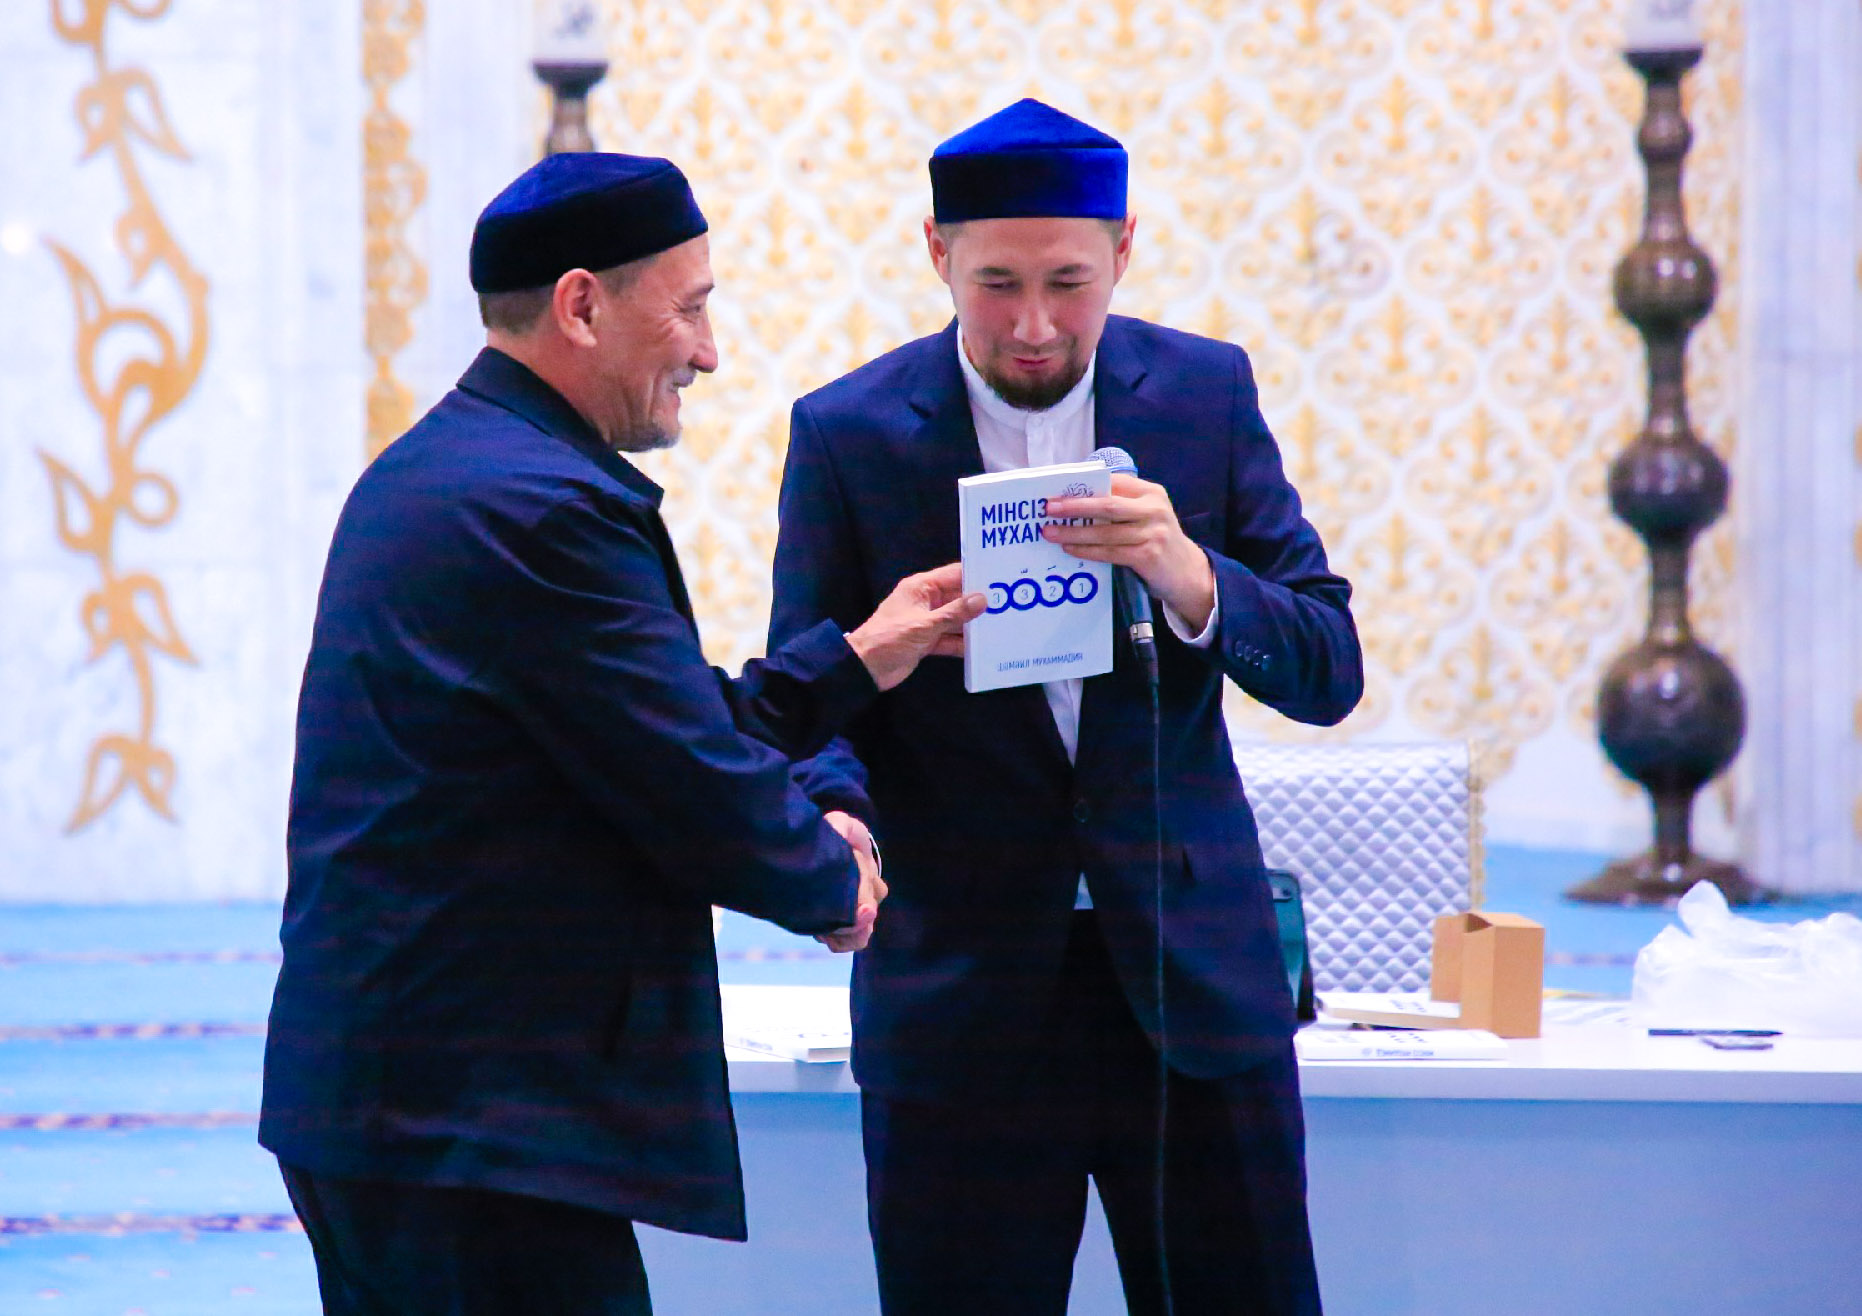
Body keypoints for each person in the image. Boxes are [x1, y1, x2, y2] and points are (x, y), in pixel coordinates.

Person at [259, 151, 982, 1316]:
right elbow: (683, 776)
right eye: (688, 309)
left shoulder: (462, 468)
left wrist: (854, 658)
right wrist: (826, 872)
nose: (709, 351)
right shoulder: (536, 507)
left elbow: (643, 720)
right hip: (470, 1125)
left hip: (421, 1108)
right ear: (581, 305)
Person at [769, 100, 1363, 1315]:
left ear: (1123, 250)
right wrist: (837, 816)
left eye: (1066, 283)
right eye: (995, 284)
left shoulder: (1203, 394)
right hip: (959, 990)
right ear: (936, 253)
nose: (1033, 325)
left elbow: (1327, 666)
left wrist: (1190, 575)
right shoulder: (847, 433)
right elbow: (810, 696)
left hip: (1190, 979)